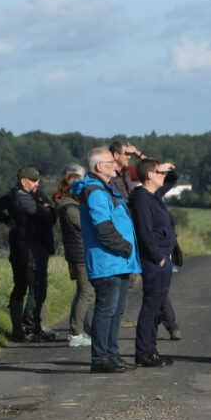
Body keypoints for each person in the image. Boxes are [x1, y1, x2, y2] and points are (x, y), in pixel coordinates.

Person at [72, 148, 141, 373]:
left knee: (116, 311)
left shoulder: (103, 189)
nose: (115, 165)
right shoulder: (95, 191)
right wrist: (125, 247)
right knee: (106, 311)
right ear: (99, 166)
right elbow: (103, 226)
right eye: (111, 162)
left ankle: (112, 354)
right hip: (108, 261)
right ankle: (101, 358)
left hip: (118, 261)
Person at [0, 165, 56, 342]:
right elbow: (47, 216)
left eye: (38, 179)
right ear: (23, 180)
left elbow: (52, 213)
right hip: (26, 247)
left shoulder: (35, 194)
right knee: (31, 285)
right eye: (34, 179)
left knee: (32, 286)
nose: (37, 183)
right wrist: (8, 220)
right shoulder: (17, 196)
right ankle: (29, 327)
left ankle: (26, 327)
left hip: (35, 246)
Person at [128, 158, 179, 367]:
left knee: (157, 308)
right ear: (149, 175)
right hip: (155, 259)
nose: (163, 177)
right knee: (151, 307)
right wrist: (157, 257)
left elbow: (172, 181)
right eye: (159, 173)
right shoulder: (141, 198)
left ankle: (151, 351)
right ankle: (144, 353)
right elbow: (144, 232)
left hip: (162, 256)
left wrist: (169, 168)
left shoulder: (153, 195)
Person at [53, 163, 94, 347]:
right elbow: (87, 228)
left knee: (83, 292)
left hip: (78, 253)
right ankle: (76, 332)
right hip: (80, 254)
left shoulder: (68, 205)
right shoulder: (70, 208)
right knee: (86, 292)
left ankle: (78, 329)